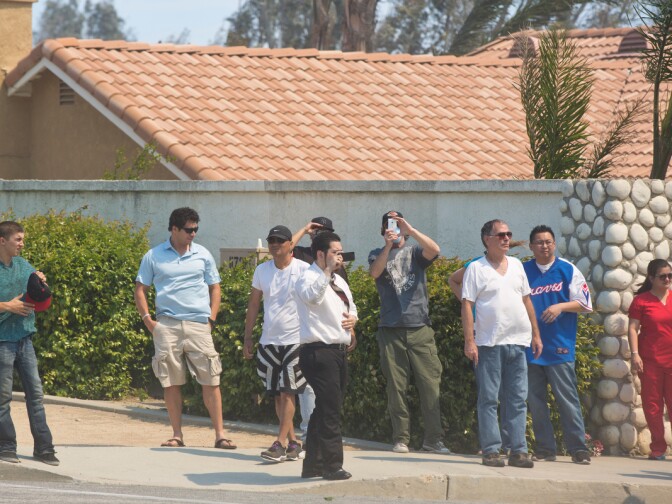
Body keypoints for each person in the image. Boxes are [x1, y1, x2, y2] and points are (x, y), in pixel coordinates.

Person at [134, 207, 235, 450]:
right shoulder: (154, 255)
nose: (193, 234)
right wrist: (148, 320)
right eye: (189, 230)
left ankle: (220, 435)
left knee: (211, 379)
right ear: (174, 229)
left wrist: (210, 319)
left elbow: (215, 287)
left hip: (199, 325)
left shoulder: (203, 254)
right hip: (166, 325)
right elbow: (140, 289)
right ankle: (177, 434)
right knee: (171, 382)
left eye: (196, 229)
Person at [461, 219, 542, 468]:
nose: (507, 238)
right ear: (487, 239)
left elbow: (527, 301)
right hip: (489, 343)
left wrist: (536, 335)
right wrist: (469, 341)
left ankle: (518, 450)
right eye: (501, 235)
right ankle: (492, 450)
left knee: (517, 398)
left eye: (508, 234)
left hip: (518, 342)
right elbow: (467, 304)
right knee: (489, 398)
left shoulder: (517, 265)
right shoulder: (476, 268)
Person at [368, 211, 450, 454]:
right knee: (396, 387)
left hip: (420, 328)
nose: (392, 229)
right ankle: (401, 438)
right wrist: (387, 246)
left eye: (396, 224)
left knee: (430, 386)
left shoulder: (415, 251)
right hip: (390, 330)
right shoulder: (376, 253)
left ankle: (433, 440)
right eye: (388, 225)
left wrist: (411, 231)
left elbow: (434, 250)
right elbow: (374, 273)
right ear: (382, 230)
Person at [524, 225, 593, 465]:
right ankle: (545, 449)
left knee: (567, 400)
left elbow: (585, 304)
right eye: (539, 242)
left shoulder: (567, 270)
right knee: (536, 401)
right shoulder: (522, 271)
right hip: (531, 348)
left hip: (560, 347)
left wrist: (560, 306)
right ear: (531, 246)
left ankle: (579, 449)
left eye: (548, 241)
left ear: (555, 244)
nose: (544, 246)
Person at [243, 225, 309, 462]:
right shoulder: (262, 270)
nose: (274, 244)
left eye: (280, 240)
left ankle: (279, 443)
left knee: (288, 391)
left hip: (296, 340)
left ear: (290, 245)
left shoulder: (304, 269)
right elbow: (253, 304)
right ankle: (294, 443)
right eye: (271, 240)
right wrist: (248, 336)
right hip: (268, 341)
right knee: (278, 396)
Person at [295, 232, 357, 481]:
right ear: (320, 254)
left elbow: (351, 306)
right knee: (330, 411)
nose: (339, 256)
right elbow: (312, 297)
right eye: (334, 252)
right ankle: (332, 466)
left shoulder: (339, 281)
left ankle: (313, 465)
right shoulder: (307, 278)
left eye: (341, 251)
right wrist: (326, 273)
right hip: (317, 353)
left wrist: (354, 320)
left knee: (323, 409)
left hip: (338, 352)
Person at [0, 221, 59, 466]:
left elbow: (40, 296)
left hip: (25, 340)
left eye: (23, 239)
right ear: (2, 240)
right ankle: (6, 447)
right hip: (2, 342)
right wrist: (6, 306)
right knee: (2, 399)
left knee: (36, 395)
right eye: (18, 239)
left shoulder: (24, 266)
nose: (22, 244)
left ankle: (44, 449)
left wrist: (40, 283)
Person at [628, 258, 672, 461]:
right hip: (650, 360)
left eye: (670, 275)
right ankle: (658, 447)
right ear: (651, 278)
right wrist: (635, 354)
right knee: (652, 405)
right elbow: (633, 328)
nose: (667, 279)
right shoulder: (641, 301)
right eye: (663, 276)